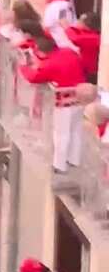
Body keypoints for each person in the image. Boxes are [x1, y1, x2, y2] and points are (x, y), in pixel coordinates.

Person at [19, 37, 86, 172]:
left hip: (64, 102)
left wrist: (23, 66)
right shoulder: (69, 52)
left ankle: (59, 165)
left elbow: (33, 77)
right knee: (76, 131)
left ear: (42, 51)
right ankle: (74, 160)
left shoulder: (50, 65)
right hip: (80, 96)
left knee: (61, 134)